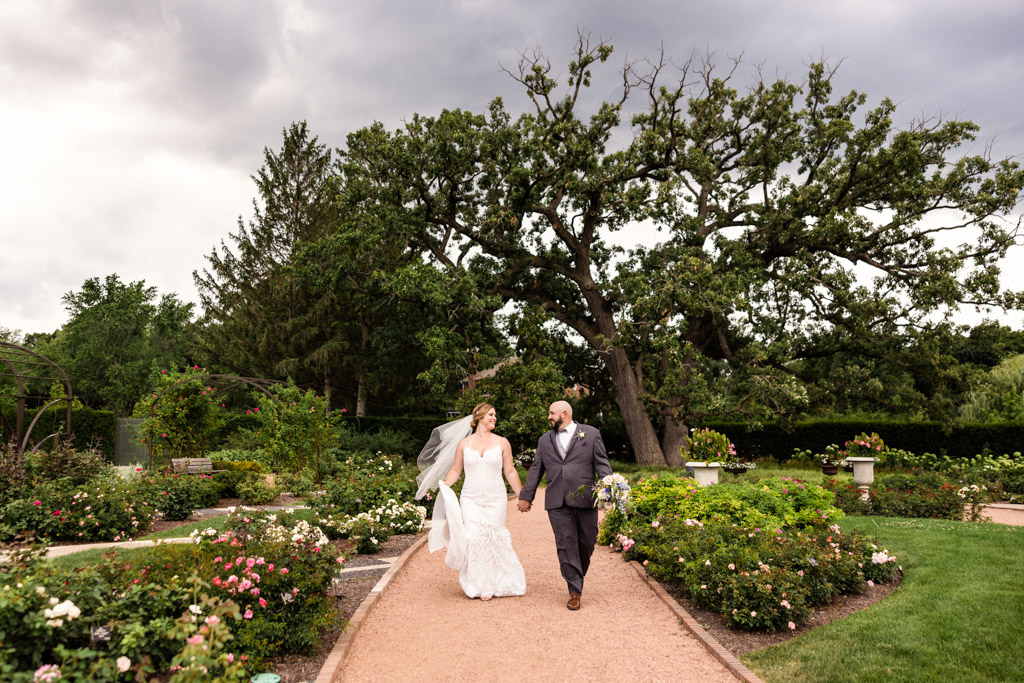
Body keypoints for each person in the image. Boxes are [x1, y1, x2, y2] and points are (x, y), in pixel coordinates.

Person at [416, 403, 526, 601]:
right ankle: (480, 584)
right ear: (480, 417)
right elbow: (456, 470)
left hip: (495, 497)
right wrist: (446, 484)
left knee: (493, 535)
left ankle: (500, 581)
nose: (494, 418)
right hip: (470, 498)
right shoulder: (464, 444)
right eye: (491, 414)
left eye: (495, 415)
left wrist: (522, 495)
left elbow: (510, 471)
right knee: (474, 537)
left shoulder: (502, 443)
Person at [517, 400, 612, 610]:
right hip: (557, 501)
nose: (549, 417)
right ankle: (574, 590)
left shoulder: (591, 433)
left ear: (565, 414)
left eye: (552, 413)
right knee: (566, 543)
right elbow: (536, 469)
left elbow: (602, 465)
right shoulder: (544, 441)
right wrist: (526, 496)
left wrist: (610, 493)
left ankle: (576, 575)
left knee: (587, 543)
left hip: (586, 499)